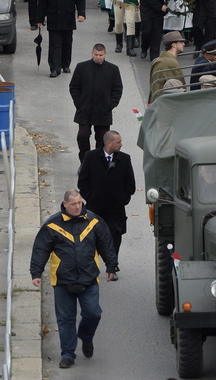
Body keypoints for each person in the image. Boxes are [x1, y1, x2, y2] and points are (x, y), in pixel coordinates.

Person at [30, 189, 117, 369]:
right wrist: (36, 273)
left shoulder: (94, 221)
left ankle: (86, 337)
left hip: (89, 279)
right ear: (65, 204)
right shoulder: (52, 225)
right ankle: (68, 354)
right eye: (74, 204)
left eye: (79, 203)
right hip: (63, 281)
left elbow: (106, 243)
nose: (78, 207)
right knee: (65, 319)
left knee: (93, 313)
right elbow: (40, 249)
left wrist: (111, 266)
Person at [78, 130, 135, 259]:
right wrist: (91, 197)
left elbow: (130, 184)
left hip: (116, 209)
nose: (121, 144)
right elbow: (83, 181)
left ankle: (112, 265)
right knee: (92, 237)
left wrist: (122, 199)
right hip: (95, 207)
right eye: (118, 142)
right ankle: (91, 265)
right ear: (108, 143)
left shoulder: (124, 159)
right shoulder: (91, 157)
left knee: (115, 237)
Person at [69, 44, 123, 162]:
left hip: (103, 111)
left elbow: (118, 89)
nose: (98, 57)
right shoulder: (82, 67)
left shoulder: (113, 69)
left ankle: (99, 163)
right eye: (96, 55)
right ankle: (84, 162)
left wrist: (110, 104)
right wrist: (79, 103)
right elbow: (74, 86)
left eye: (101, 55)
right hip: (85, 109)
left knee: (102, 139)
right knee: (82, 136)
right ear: (92, 53)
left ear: (105, 54)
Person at [36, 0, 86, 77]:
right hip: (54, 19)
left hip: (68, 19)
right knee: (55, 44)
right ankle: (54, 68)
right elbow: (42, 3)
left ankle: (65, 64)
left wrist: (81, 13)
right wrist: (39, 19)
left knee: (67, 43)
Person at [148, 30, 186, 102]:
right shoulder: (170, 62)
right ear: (173, 45)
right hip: (165, 104)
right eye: (181, 42)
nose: (183, 44)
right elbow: (177, 88)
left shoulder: (161, 60)